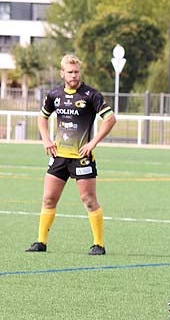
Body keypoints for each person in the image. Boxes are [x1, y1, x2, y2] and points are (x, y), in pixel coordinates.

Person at [27, 54, 117, 255]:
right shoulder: (54, 95)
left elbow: (110, 119)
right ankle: (41, 242)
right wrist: (46, 139)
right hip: (59, 156)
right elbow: (42, 118)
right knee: (49, 198)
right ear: (62, 73)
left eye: (76, 72)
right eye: (70, 72)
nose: (74, 75)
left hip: (82, 157)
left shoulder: (90, 95)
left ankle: (98, 244)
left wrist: (93, 143)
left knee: (89, 199)